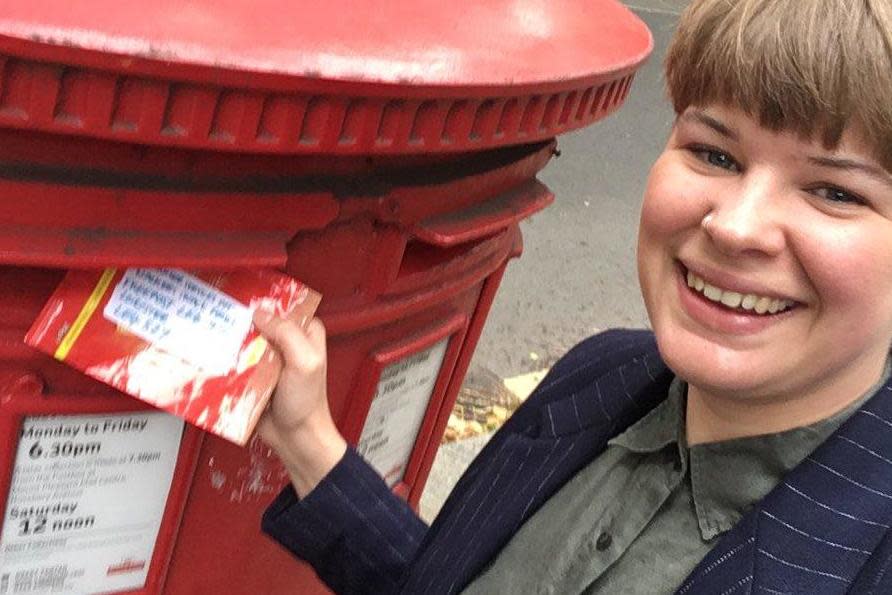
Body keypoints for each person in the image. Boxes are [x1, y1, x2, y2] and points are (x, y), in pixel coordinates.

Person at [251, 0, 892, 593]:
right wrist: (307, 438)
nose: (735, 227)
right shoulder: (602, 376)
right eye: (715, 154)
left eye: (836, 192)